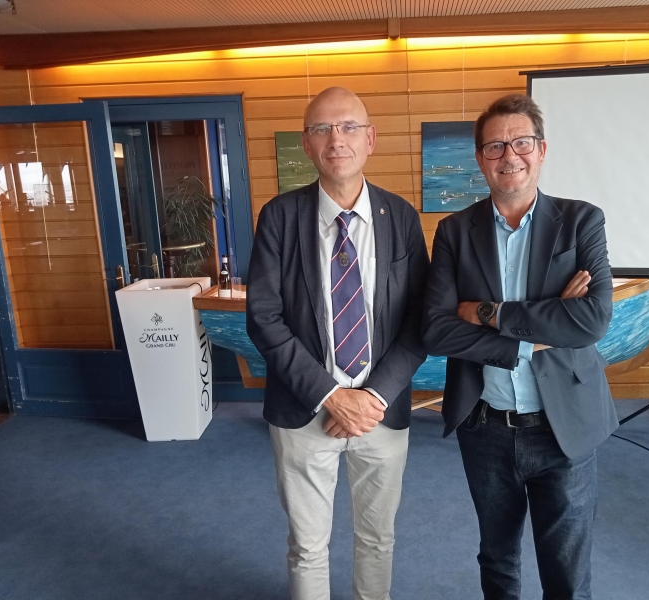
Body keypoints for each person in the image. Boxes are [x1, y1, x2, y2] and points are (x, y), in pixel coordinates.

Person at [421, 93, 618, 600]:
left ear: (542, 149)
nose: (509, 155)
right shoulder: (454, 232)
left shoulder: (581, 221)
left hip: (563, 425)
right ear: (480, 158)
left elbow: (591, 320)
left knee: (567, 571)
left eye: (522, 142)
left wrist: (487, 313)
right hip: (485, 426)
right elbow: (436, 330)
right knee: (497, 559)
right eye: (495, 146)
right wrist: (534, 337)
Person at [246, 86, 429, 600]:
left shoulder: (402, 217)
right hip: (304, 410)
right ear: (306, 144)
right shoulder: (279, 217)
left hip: (380, 411)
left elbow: (421, 319)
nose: (336, 139)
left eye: (349, 127)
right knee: (307, 547)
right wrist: (331, 395)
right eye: (322, 129)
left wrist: (372, 397)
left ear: (370, 138)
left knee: (378, 539)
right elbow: (263, 318)